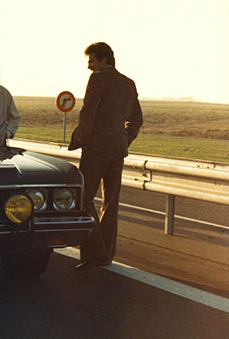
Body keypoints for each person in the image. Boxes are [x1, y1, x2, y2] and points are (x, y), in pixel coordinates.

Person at [68, 42, 143, 272]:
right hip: (117, 149)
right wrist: (123, 138)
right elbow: (137, 119)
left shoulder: (98, 80)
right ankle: (106, 254)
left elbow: (88, 114)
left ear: (103, 60)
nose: (89, 66)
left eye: (91, 60)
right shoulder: (128, 83)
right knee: (111, 202)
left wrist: (83, 140)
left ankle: (95, 252)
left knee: (83, 197)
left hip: (97, 148)